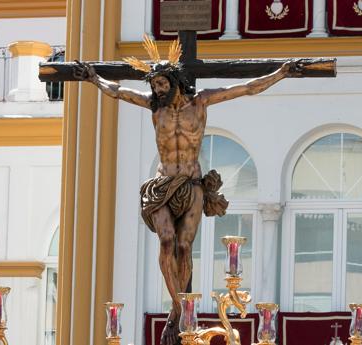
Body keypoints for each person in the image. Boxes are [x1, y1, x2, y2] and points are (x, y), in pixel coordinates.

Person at [74, 36, 303, 345]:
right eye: (154, 85)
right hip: (162, 185)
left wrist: (281, 73)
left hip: (192, 186)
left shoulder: (201, 103)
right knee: (166, 241)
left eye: (161, 84)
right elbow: (118, 92)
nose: (157, 90)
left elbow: (246, 88)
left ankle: (178, 309)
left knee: (184, 246)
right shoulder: (155, 108)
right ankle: (180, 307)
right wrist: (93, 78)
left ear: (175, 81)